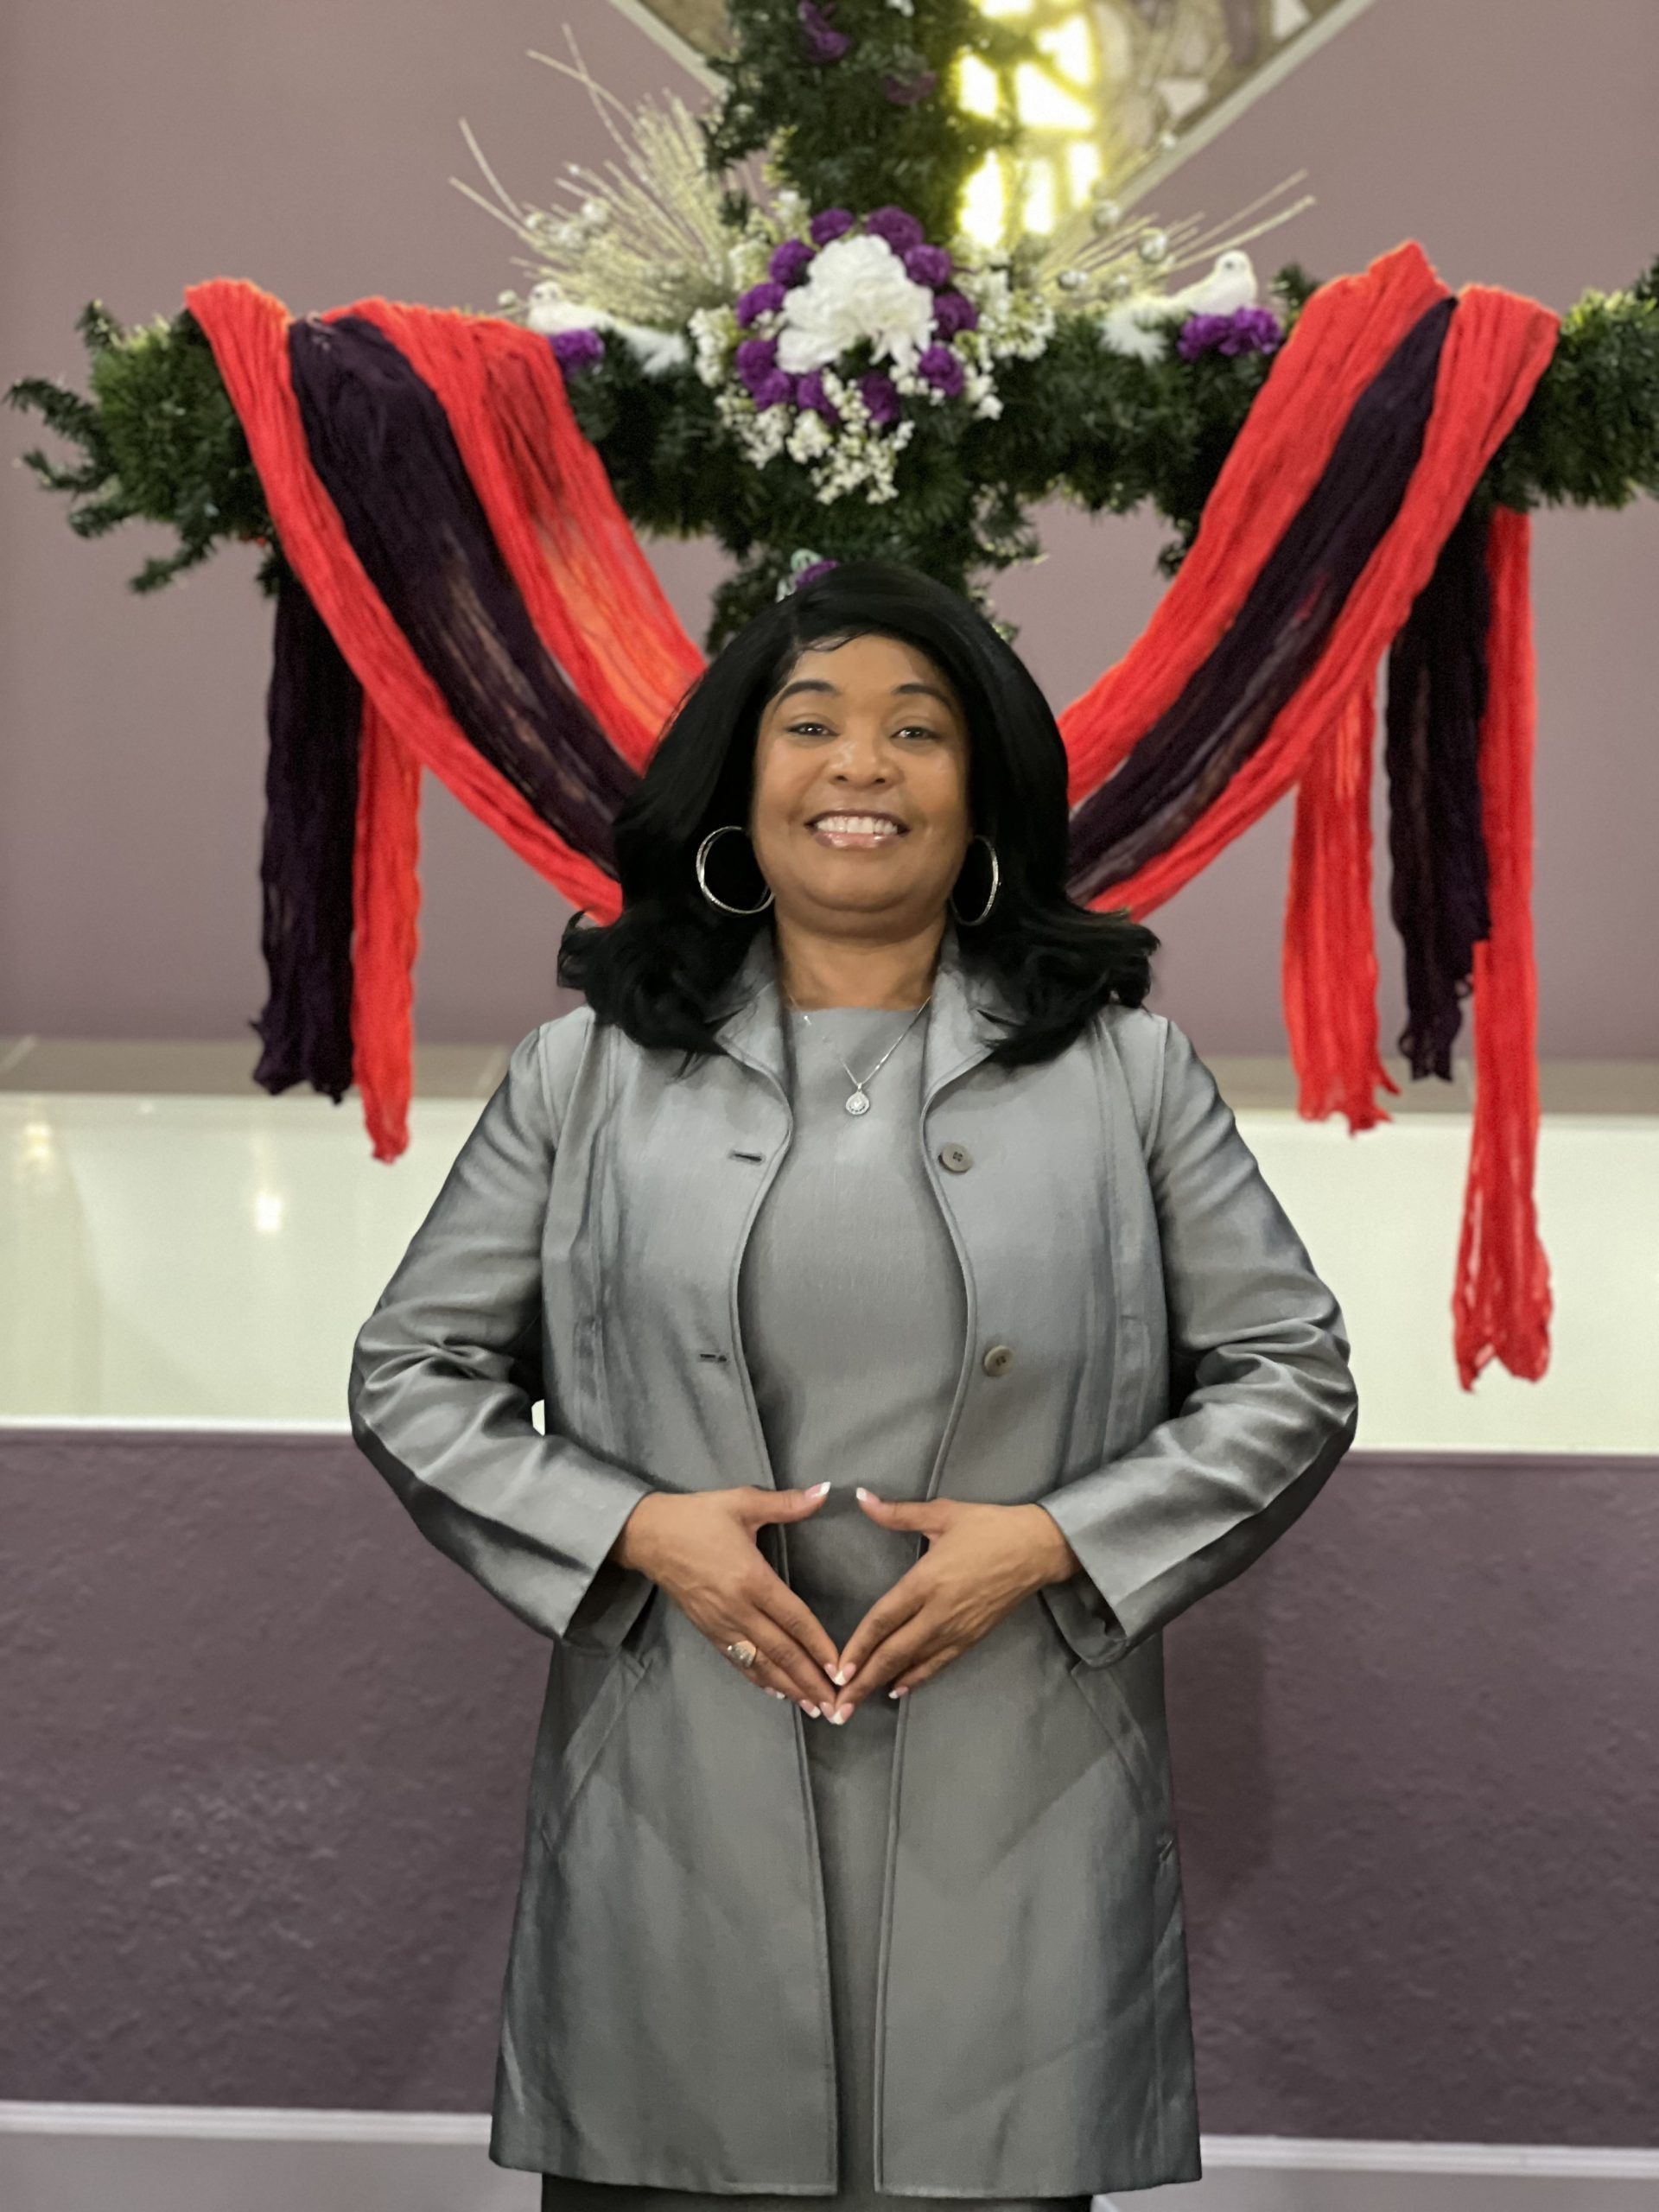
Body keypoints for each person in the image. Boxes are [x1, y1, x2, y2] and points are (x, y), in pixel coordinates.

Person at [348, 559, 1359, 2207]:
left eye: (920, 730)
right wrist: (637, 1532)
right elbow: (414, 1370)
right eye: (810, 724)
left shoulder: (1128, 1074)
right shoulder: (584, 1074)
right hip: (672, 1793)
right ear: (738, 786)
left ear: (985, 794)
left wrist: (1052, 1545)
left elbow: (1291, 1373)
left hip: (1023, 1794)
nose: (862, 766)